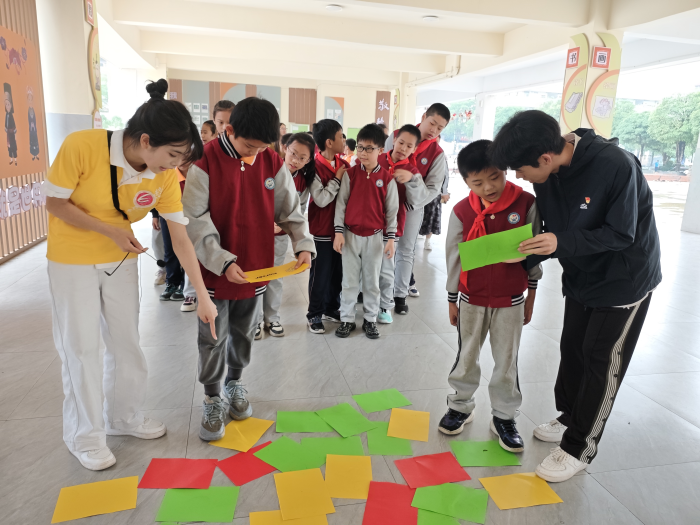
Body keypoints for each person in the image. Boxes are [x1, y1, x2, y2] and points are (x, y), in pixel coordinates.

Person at [44, 79, 218, 471]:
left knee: (126, 343)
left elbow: (181, 238)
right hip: (72, 260)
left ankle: (123, 417)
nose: (174, 166)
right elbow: (54, 202)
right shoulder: (82, 145)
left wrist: (203, 296)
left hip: (120, 261)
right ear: (144, 141)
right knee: (81, 349)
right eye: (172, 155)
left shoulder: (163, 175)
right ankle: (85, 436)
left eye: (181, 159)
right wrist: (109, 231)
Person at [490, 110, 662, 482]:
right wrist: (524, 252)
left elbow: (622, 233)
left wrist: (560, 242)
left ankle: (579, 447)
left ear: (544, 158)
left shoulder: (616, 165)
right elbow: (555, 229)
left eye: (520, 169)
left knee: (602, 361)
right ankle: (570, 417)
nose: (519, 177)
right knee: (573, 350)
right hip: (581, 274)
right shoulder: (548, 173)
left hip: (623, 280)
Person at [183, 97, 314, 442]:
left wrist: (303, 242)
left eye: (261, 147)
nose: (254, 154)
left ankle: (235, 382)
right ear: (229, 130)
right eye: (249, 147)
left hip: (256, 269)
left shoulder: (271, 161)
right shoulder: (205, 160)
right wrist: (222, 260)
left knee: (244, 331)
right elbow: (195, 219)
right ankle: (212, 397)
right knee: (212, 338)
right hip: (215, 271)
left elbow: (290, 209)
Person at [438, 140, 542, 454]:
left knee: (507, 360)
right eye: (478, 182)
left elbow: (535, 252)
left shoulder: (525, 203)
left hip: (510, 299)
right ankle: (460, 406)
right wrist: (452, 298)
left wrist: (531, 294)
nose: (488, 187)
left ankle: (504, 417)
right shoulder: (462, 211)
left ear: (504, 170)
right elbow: (454, 256)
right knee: (467, 354)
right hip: (472, 298)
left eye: (494, 177)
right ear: (465, 181)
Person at [333, 123, 398, 339]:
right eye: (360, 147)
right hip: (350, 236)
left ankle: (370, 319)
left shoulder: (387, 179)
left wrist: (390, 239)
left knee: (372, 282)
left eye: (369, 148)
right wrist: (339, 232)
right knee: (349, 281)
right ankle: (347, 319)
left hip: (375, 238)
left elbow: (392, 212)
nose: (363, 153)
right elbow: (341, 205)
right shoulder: (350, 175)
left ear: (381, 150)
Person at [385, 103, 450, 315]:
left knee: (406, 250)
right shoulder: (397, 134)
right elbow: (380, 162)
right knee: (380, 247)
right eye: (432, 123)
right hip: (383, 204)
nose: (434, 130)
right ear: (423, 117)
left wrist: (413, 201)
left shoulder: (437, 153)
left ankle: (400, 294)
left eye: (440, 128)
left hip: (412, 207)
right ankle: (376, 290)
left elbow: (434, 188)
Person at [256, 132, 316, 337]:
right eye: (293, 153)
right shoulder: (268, 168)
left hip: (280, 236)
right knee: (256, 275)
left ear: (308, 160)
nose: (295, 160)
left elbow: (299, 210)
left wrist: (282, 228)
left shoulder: (303, 181)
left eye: (302, 158)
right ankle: (255, 320)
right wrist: (266, 223)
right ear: (284, 148)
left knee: (275, 276)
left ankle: (272, 318)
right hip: (258, 234)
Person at [372, 124, 421, 324]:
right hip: (368, 224)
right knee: (367, 265)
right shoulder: (377, 159)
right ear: (393, 140)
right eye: (401, 142)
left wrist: (411, 180)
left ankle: (386, 305)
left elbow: (416, 201)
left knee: (387, 268)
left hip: (392, 228)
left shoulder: (412, 171)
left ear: (415, 149)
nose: (403, 148)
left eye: (409, 146)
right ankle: (367, 300)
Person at [306, 119, 349, 334]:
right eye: (341, 136)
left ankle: (332, 307)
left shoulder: (344, 164)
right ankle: (314, 313)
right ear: (329, 142)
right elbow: (321, 200)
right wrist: (337, 179)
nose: (344, 140)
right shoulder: (313, 167)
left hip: (340, 230)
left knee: (337, 273)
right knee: (320, 274)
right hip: (322, 230)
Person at [421, 165, 451, 250]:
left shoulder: (441, 159)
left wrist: (444, 192)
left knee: (431, 216)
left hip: (434, 192)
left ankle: (427, 240)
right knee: (424, 215)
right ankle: (422, 237)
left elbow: (445, 177)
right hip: (423, 190)